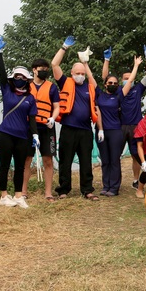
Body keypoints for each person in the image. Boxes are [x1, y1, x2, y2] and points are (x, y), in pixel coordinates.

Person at [51, 36, 103, 201]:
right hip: (68, 128)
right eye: (77, 73)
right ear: (72, 73)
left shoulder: (89, 87)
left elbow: (94, 83)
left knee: (86, 162)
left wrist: (85, 64)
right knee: (65, 161)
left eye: (82, 73)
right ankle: (63, 190)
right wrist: (64, 47)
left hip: (86, 130)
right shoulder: (66, 82)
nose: (80, 76)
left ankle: (87, 190)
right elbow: (54, 64)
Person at [0, 35, 37, 209]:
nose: (19, 79)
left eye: (23, 77)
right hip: (5, 134)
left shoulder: (30, 98)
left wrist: (35, 135)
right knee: (4, 165)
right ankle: (4, 196)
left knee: (20, 167)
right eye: (17, 76)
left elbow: (32, 119)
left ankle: (18, 196)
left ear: (27, 80)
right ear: (13, 78)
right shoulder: (7, 91)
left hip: (22, 136)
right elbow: (2, 73)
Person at [102, 45, 146, 190]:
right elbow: (105, 77)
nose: (127, 80)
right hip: (120, 126)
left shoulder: (138, 89)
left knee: (136, 154)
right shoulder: (118, 90)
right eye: (124, 78)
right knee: (115, 155)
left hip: (136, 126)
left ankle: (136, 180)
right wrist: (107, 60)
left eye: (129, 78)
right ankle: (113, 182)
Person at [95, 56, 140, 196]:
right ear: (105, 84)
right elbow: (94, 76)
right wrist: (105, 60)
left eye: (115, 82)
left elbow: (130, 80)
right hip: (101, 131)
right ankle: (105, 186)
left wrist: (136, 65)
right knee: (105, 160)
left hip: (115, 131)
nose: (113, 84)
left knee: (114, 159)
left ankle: (114, 188)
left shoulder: (119, 95)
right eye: (110, 82)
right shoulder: (99, 94)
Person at [22, 57, 60, 201]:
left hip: (46, 126)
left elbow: (56, 107)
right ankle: (24, 191)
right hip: (28, 126)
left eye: (46, 69)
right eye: (41, 69)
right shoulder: (26, 86)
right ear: (34, 70)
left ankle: (48, 193)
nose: (43, 71)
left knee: (48, 160)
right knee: (26, 159)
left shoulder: (52, 87)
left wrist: (53, 118)